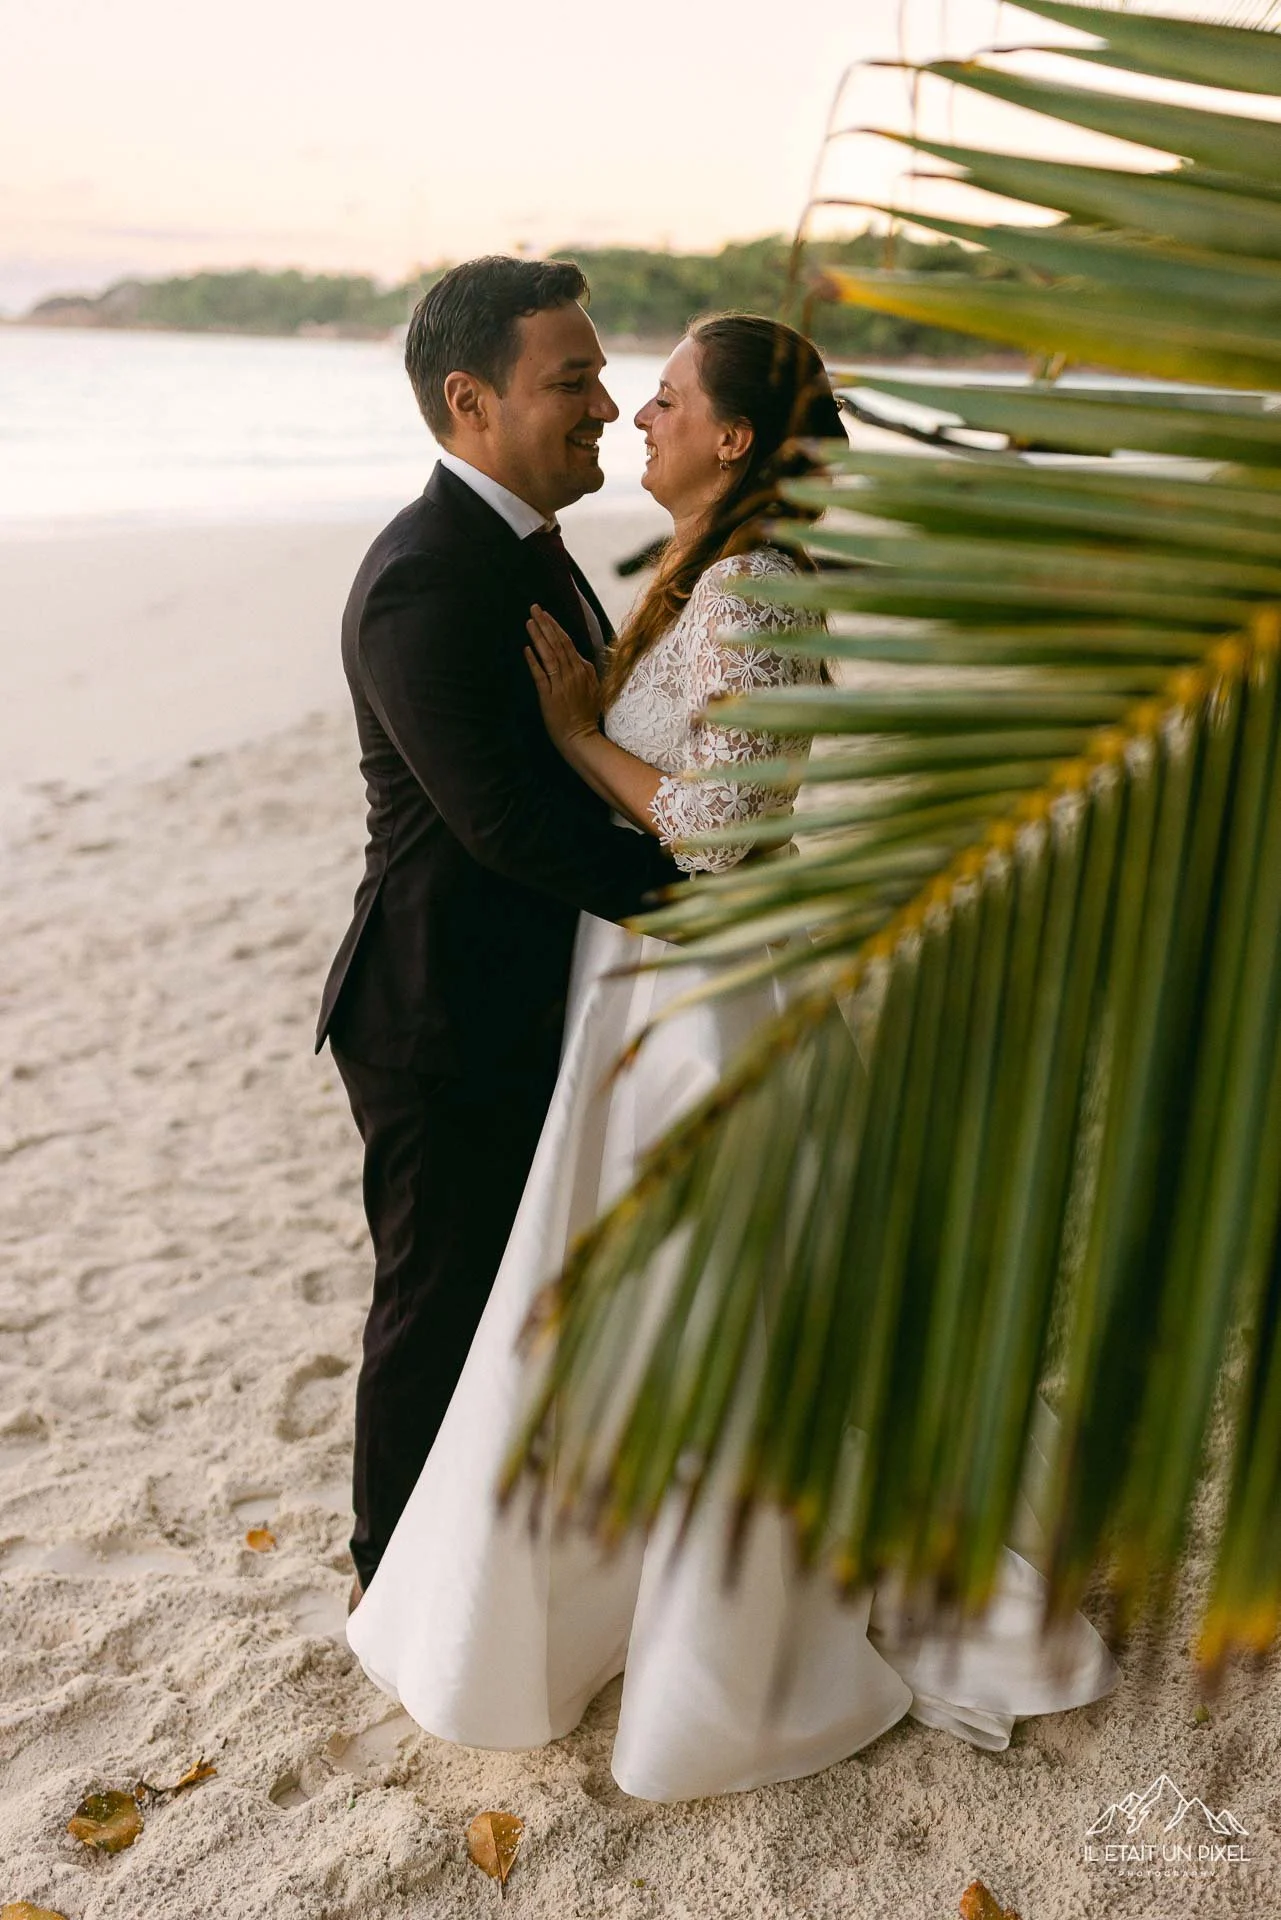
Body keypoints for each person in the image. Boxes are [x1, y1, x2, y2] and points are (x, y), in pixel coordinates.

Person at [346, 311, 1118, 1800]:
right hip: (638, 989)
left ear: (737, 442)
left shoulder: (759, 587)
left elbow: (717, 829)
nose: (634, 411)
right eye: (599, 386)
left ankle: (735, 1632)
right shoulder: (692, 573)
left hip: (691, 998)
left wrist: (581, 742)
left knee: (706, 1309)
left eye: (670, 398)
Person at [315, 257, 679, 1605]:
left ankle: (495, 1570)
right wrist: (710, 906)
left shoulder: (526, 547)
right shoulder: (423, 577)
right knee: (437, 1309)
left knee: (516, 1302)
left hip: (531, 994)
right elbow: (505, 825)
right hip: (438, 1014)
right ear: (472, 401)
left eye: (602, 374)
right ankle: (387, 1583)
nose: (607, 402)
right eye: (572, 380)